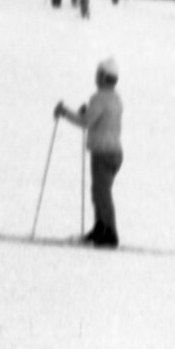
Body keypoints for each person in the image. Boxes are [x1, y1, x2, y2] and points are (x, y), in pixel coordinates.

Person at [54, 58, 124, 248]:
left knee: (101, 193)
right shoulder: (115, 98)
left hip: (103, 153)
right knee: (99, 192)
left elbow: (86, 122)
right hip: (114, 152)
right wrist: (86, 113)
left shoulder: (100, 98)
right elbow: (97, 119)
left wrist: (65, 112)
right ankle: (101, 229)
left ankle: (108, 232)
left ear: (102, 77)